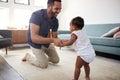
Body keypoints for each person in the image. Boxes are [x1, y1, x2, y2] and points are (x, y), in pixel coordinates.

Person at [22, 0, 62, 68]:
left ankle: (43, 59)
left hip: (45, 42)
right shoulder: (36, 15)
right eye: (56, 8)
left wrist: (60, 42)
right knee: (43, 65)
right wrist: (53, 40)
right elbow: (34, 38)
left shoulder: (55, 20)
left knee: (56, 60)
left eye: (60, 9)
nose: (58, 11)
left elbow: (54, 37)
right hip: (35, 42)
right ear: (49, 6)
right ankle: (28, 56)